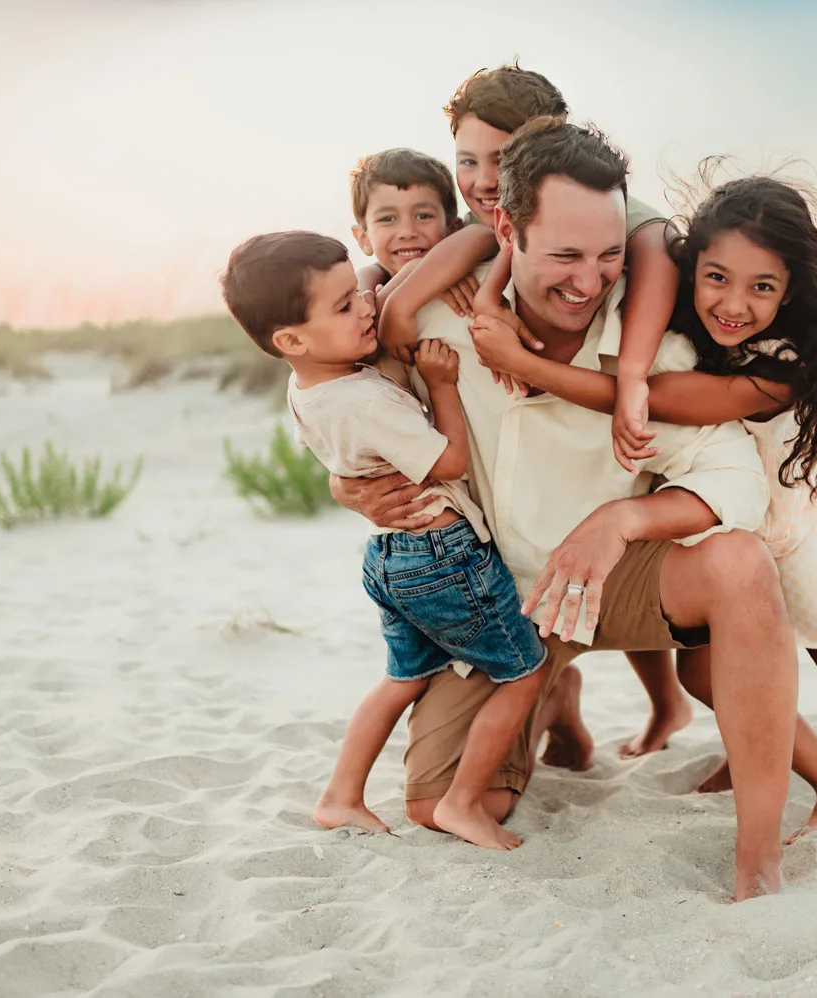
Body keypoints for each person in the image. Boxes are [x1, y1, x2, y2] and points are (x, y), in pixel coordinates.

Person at [331, 119, 799, 900]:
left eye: (610, 254)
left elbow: (734, 480)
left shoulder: (653, 346)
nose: (591, 281)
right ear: (505, 230)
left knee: (740, 564)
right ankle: (550, 702)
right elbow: (336, 401)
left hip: (612, 583)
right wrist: (345, 486)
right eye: (567, 256)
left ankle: (760, 861)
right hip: (496, 603)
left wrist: (623, 521)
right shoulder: (436, 329)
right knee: (439, 804)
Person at [470, 175, 817, 840]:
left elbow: (661, 398)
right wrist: (489, 288)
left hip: (784, 519)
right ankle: (806, 772)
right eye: (716, 277)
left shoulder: (785, 360)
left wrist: (525, 364)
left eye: (762, 287)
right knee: (704, 664)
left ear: (793, 288)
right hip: (716, 504)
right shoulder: (682, 305)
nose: (735, 304)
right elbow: (639, 231)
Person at [373, 61, 695, 759]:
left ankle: (666, 700)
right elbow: (457, 245)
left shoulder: (602, 213)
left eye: (503, 157)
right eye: (468, 160)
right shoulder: (472, 226)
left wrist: (630, 374)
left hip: (605, 483)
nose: (486, 177)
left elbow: (656, 249)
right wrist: (413, 296)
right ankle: (566, 700)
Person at [220, 231, 548, 851]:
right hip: (444, 557)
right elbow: (448, 461)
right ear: (290, 339)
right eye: (345, 306)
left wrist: (367, 292)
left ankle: (340, 795)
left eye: (359, 293)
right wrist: (442, 384)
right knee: (525, 673)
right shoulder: (366, 397)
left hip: (387, 559)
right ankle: (462, 802)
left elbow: (369, 290)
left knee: (403, 678)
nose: (368, 305)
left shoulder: (307, 386)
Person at [347, 147, 479, 319]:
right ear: (363, 239)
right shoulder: (366, 304)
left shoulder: (473, 280)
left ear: (453, 229)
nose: (407, 232)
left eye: (423, 216)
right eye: (387, 219)